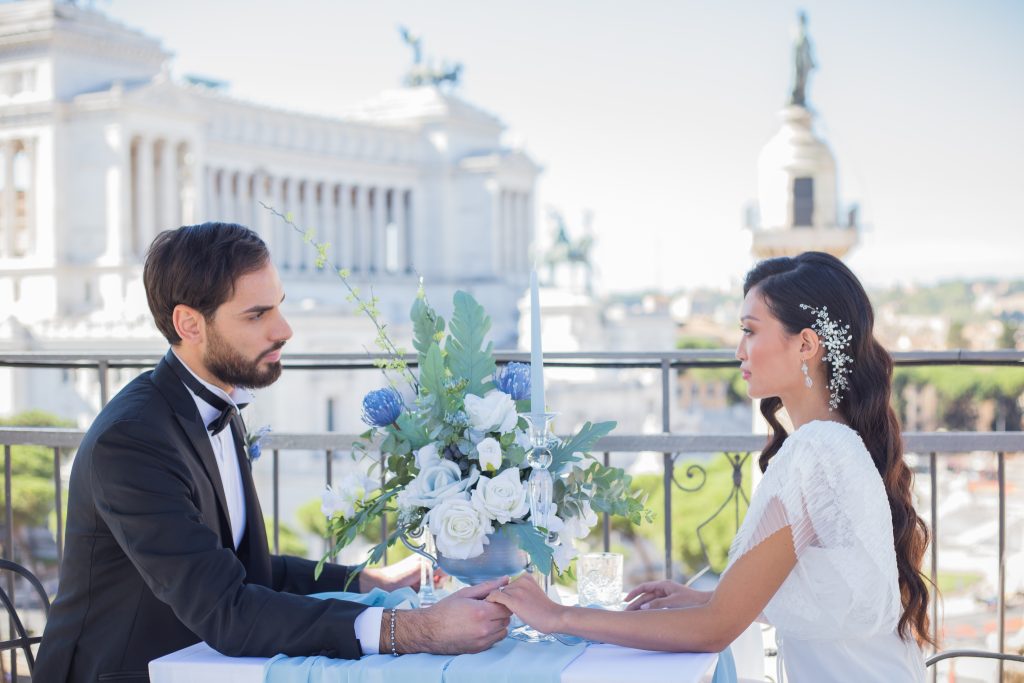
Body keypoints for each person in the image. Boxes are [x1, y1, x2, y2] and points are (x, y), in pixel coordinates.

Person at [35, 223, 511, 683]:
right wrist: (415, 631)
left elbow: (247, 572)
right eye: (256, 315)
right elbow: (228, 610)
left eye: (278, 308)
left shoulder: (214, 404)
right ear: (189, 324)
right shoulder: (133, 442)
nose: (284, 330)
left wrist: (370, 581)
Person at [488, 251, 931, 682]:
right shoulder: (834, 443)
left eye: (750, 331)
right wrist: (706, 598)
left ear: (806, 344)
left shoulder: (817, 450)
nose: (738, 350)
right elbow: (827, 596)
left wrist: (560, 616)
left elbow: (715, 630)